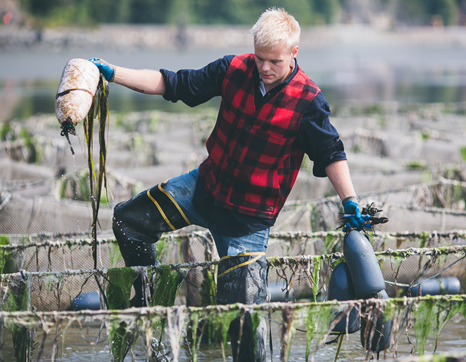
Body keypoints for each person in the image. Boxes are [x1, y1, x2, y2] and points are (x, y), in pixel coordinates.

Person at [90, 7, 369, 362]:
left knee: (245, 331)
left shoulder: (309, 102)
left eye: (274, 61)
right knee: (127, 221)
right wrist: (114, 73)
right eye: (259, 58)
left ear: (294, 53)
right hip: (203, 189)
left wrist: (350, 200)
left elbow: (331, 152)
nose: (265, 68)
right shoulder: (233, 69)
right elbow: (173, 83)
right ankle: (150, 312)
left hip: (248, 220)